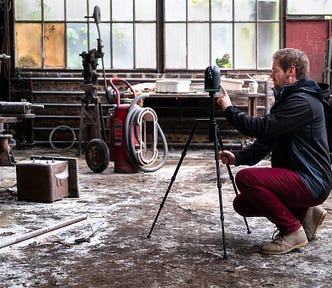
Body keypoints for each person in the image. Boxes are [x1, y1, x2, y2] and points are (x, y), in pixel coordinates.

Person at [216, 48, 332, 255]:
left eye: (275, 70)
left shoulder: (302, 102)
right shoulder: (290, 98)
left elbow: (262, 128)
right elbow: (268, 138)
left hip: (312, 180)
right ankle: (305, 213)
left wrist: (229, 109)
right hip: (300, 177)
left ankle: (293, 231)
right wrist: (239, 157)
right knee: (243, 204)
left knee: (246, 179)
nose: (271, 75)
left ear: (291, 71)